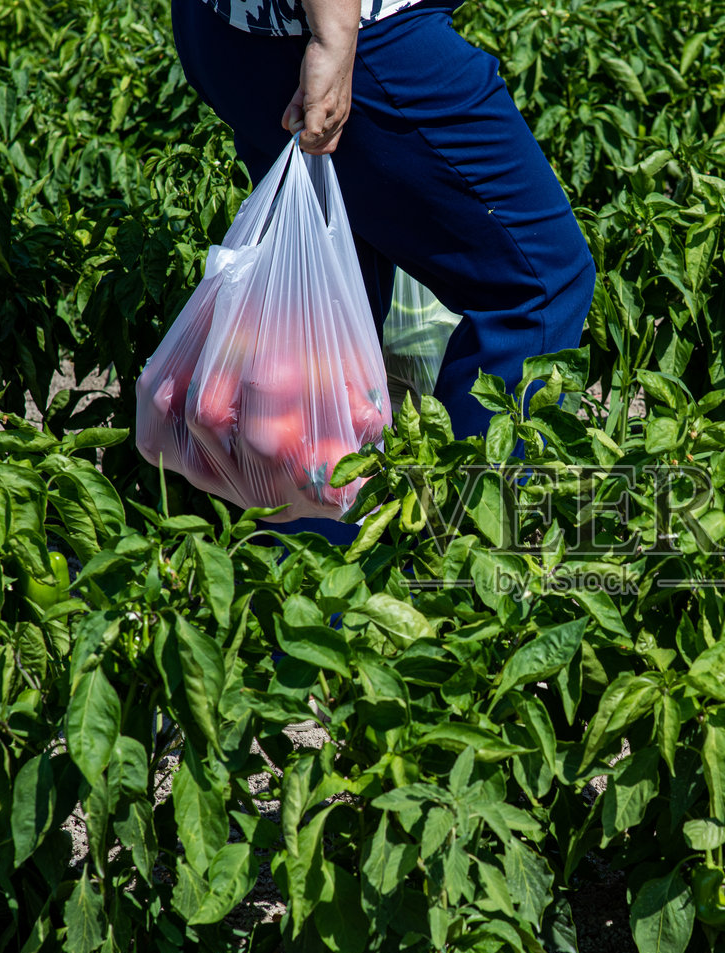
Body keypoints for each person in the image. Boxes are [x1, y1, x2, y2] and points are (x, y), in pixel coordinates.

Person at [171, 0, 596, 545]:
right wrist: (333, 39)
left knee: (326, 310)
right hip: (352, 34)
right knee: (539, 281)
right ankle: (470, 561)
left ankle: (312, 585)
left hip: (227, 27)